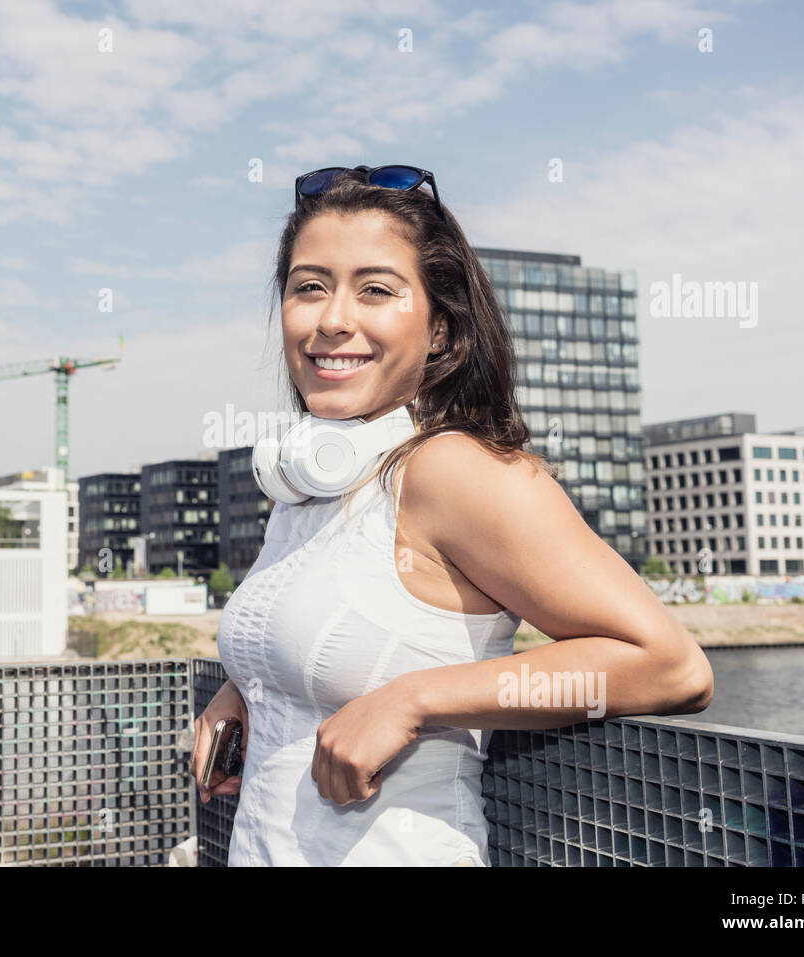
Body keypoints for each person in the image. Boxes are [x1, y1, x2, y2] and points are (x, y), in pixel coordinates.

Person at [193, 165, 714, 866]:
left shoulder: (453, 470)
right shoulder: (311, 480)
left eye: (375, 290)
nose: (333, 318)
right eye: (308, 286)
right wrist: (250, 680)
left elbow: (670, 666)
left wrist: (414, 699)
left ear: (439, 329)